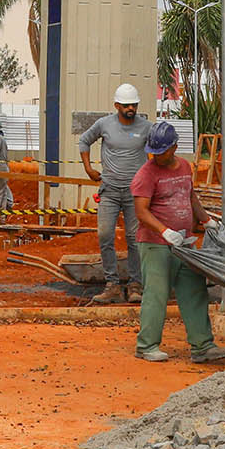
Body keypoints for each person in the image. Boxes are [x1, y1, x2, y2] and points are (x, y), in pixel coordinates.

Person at [129, 120, 225, 364]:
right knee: (156, 293)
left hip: (185, 244)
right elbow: (141, 211)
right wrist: (164, 231)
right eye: (153, 152)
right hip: (155, 244)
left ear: (174, 147)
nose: (156, 156)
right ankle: (146, 346)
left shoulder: (184, 167)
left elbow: (190, 196)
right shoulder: (146, 174)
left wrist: (206, 221)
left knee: (194, 290)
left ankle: (202, 346)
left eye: (162, 151)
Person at [77, 83, 151, 304]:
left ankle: (136, 285)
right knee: (105, 235)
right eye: (126, 105)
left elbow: (159, 149)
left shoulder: (146, 127)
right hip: (109, 190)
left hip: (135, 193)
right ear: (117, 105)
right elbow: (84, 141)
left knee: (134, 238)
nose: (131, 108)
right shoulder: (104, 124)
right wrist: (88, 169)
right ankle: (112, 285)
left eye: (134, 105)